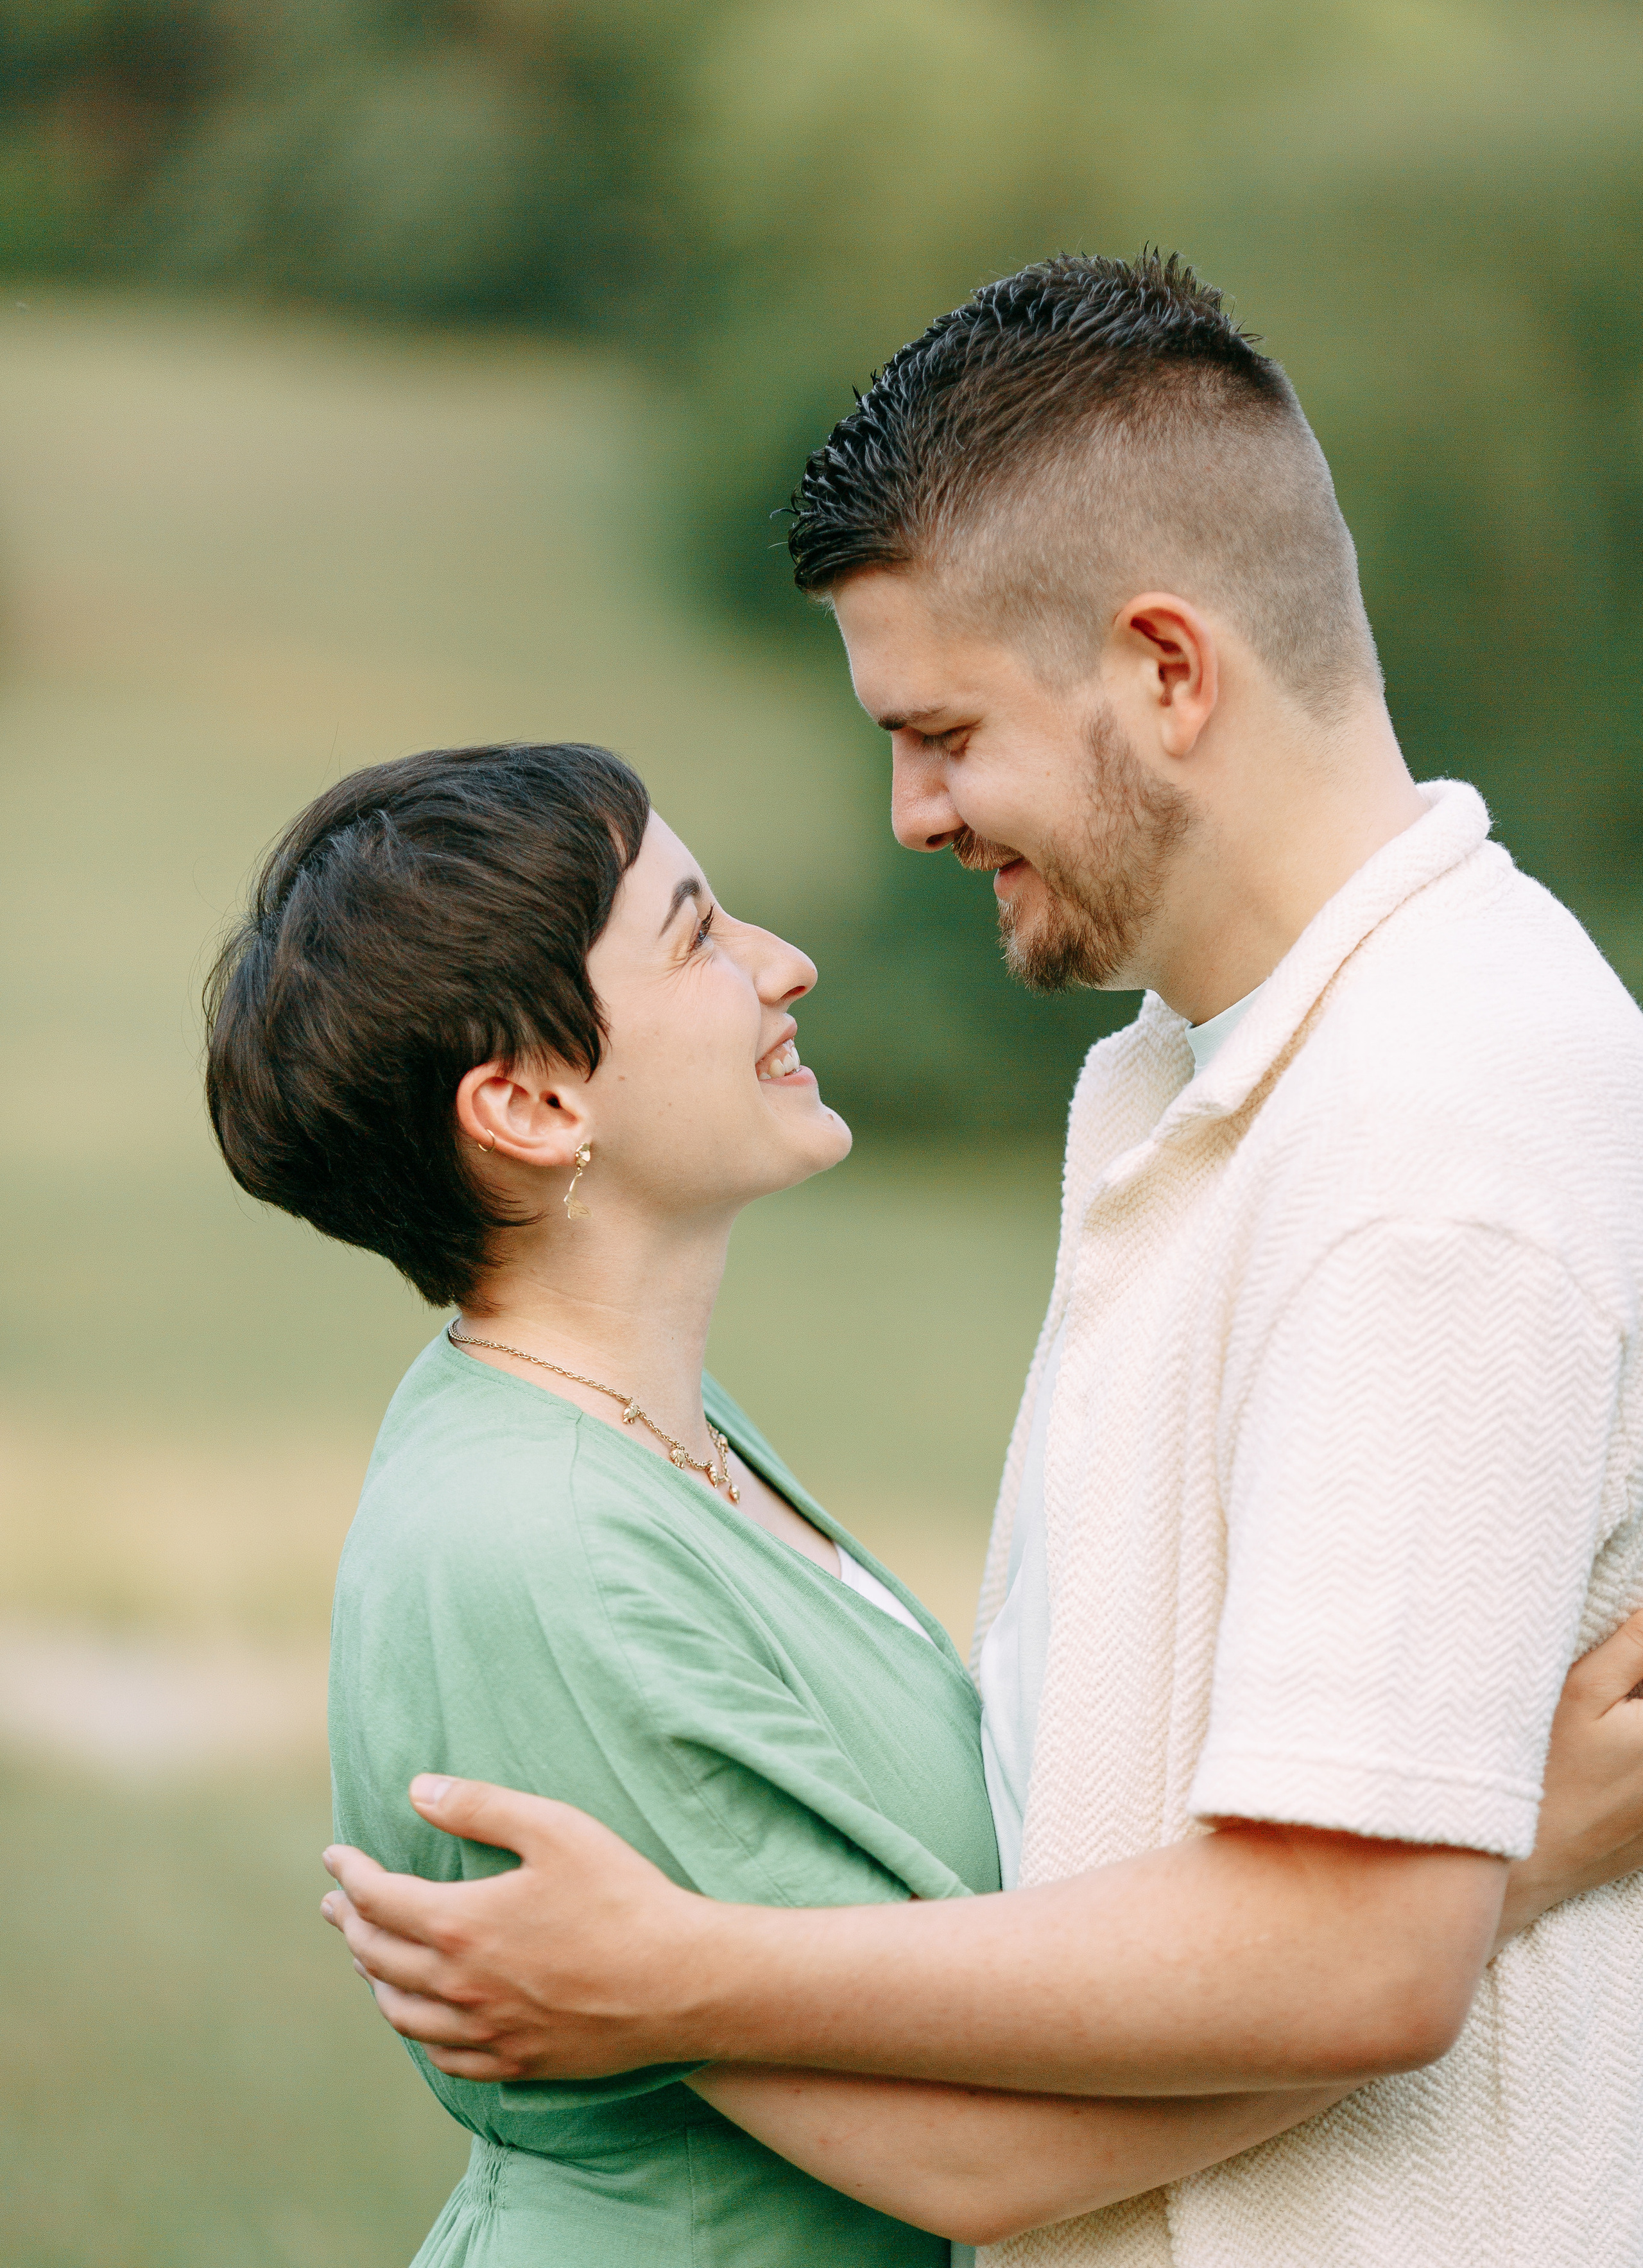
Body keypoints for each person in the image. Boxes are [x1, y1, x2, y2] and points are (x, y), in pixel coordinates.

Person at [319, 254, 1643, 2267]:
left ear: (1169, 672)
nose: (909, 817)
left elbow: (1367, 1952)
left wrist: (687, 1974)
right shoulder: (1200, 1075)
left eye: (942, 731)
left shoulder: (1424, 1148)